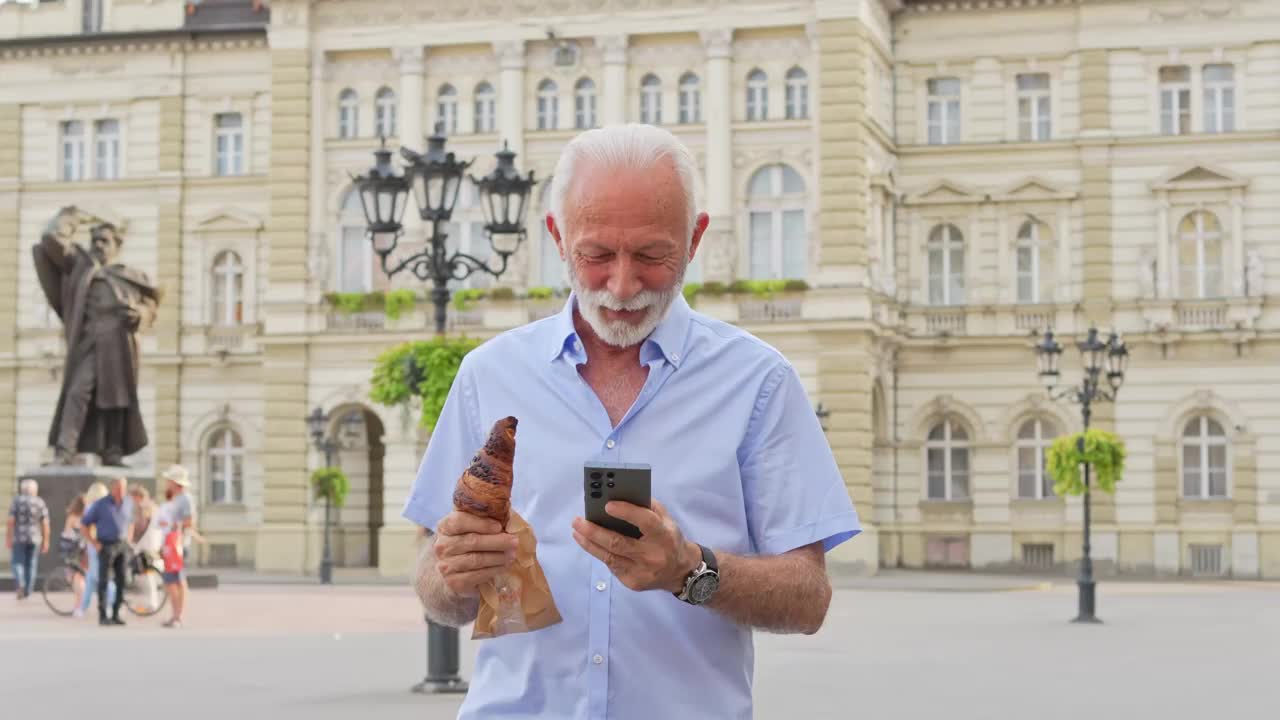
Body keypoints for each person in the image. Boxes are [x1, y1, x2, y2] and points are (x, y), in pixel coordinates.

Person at [404, 124, 860, 719]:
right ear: (557, 237)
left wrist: (692, 570)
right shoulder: (490, 374)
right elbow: (435, 586)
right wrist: (451, 573)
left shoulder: (758, 382)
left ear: (694, 239)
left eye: (651, 255)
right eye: (595, 255)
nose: (622, 286)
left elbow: (809, 598)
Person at [81, 477, 133, 626]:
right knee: (103, 581)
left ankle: (116, 613)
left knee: (121, 580)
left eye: (124, 487)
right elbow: (84, 525)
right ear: (112, 488)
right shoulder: (101, 505)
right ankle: (103, 615)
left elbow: (131, 522)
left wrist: (128, 539)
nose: (121, 491)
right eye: (119, 488)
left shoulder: (128, 503)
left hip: (122, 545)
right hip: (106, 545)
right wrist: (94, 543)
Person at [155, 464, 198, 628]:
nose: (166, 482)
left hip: (176, 545)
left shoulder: (184, 499)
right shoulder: (178, 499)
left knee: (173, 581)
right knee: (175, 580)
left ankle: (177, 616)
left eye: (169, 480)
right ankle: (176, 615)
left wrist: (173, 525)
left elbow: (188, 522)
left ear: (175, 482)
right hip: (172, 544)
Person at [7, 479, 50, 600]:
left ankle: (20, 582)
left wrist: (9, 538)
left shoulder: (17, 501)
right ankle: (28, 591)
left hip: (19, 537)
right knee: (31, 564)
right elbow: (45, 523)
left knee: (17, 562)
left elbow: (11, 521)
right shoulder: (40, 502)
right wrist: (46, 540)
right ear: (35, 490)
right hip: (35, 537)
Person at [77, 482, 115, 617]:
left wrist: (93, 543)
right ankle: (83, 608)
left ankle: (111, 603)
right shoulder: (107, 507)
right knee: (92, 578)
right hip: (100, 544)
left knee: (99, 577)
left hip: (95, 545)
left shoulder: (92, 508)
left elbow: (86, 527)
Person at [61, 495, 89, 616]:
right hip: (85, 552)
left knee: (76, 578)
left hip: (74, 552)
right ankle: (80, 605)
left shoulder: (72, 517)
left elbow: (67, 534)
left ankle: (78, 605)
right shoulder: (87, 517)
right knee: (81, 577)